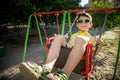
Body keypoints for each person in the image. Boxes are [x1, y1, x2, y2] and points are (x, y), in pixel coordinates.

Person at [19, 12, 103, 80]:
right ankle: (46, 68)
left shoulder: (91, 38)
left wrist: (100, 45)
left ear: (91, 24)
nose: (83, 23)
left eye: (86, 21)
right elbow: (68, 45)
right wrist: (62, 39)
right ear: (77, 24)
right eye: (80, 21)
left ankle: (64, 74)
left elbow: (92, 57)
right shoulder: (74, 35)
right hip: (66, 55)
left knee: (81, 38)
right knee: (59, 37)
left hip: (79, 61)